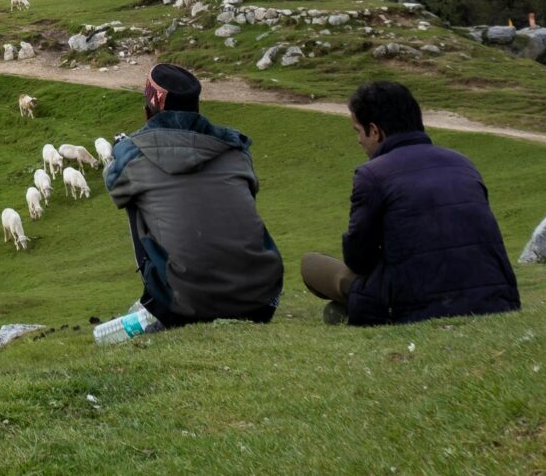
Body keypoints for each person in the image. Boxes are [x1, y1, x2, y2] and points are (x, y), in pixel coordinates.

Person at [300, 79, 519, 325]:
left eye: (358, 131)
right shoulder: (463, 163)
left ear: (375, 131)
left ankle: (349, 310)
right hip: (497, 300)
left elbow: (359, 259)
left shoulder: (372, 174)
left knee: (312, 265)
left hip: (417, 305)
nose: (359, 140)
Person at [104, 63, 282, 328]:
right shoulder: (235, 148)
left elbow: (114, 186)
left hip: (185, 306)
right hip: (262, 299)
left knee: (133, 197)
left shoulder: (134, 155)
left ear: (147, 111)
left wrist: (122, 149)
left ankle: (158, 298)